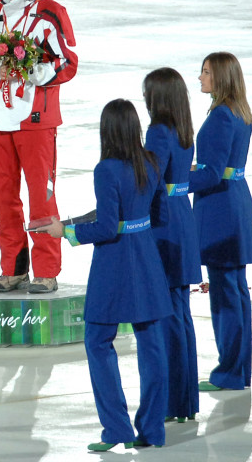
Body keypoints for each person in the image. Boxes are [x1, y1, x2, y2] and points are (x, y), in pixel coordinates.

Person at [42, 99, 172, 451]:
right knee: (152, 345)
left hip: (113, 266)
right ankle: (153, 431)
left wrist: (66, 232)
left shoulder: (106, 170)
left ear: (107, 131)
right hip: (146, 261)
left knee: (98, 342)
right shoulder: (151, 162)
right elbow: (159, 216)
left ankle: (116, 429)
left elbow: (106, 228)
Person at [0, 0, 77, 294]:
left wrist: (31, 70)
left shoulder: (49, 12)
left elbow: (68, 63)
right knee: (2, 197)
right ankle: (13, 269)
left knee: (40, 198)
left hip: (35, 120)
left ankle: (46, 271)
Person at [189, 52, 252, 392]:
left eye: (205, 72)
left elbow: (211, 174)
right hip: (236, 202)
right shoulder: (240, 112)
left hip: (219, 210)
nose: (200, 78)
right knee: (236, 291)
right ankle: (238, 370)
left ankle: (229, 373)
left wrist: (174, 183)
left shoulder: (220, 115)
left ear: (221, 77)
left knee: (225, 295)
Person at [142, 67, 202, 422]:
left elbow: (150, 181)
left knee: (166, 315)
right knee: (181, 313)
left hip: (163, 224)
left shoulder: (158, 131)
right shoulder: (184, 130)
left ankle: (169, 402)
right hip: (182, 217)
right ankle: (185, 401)